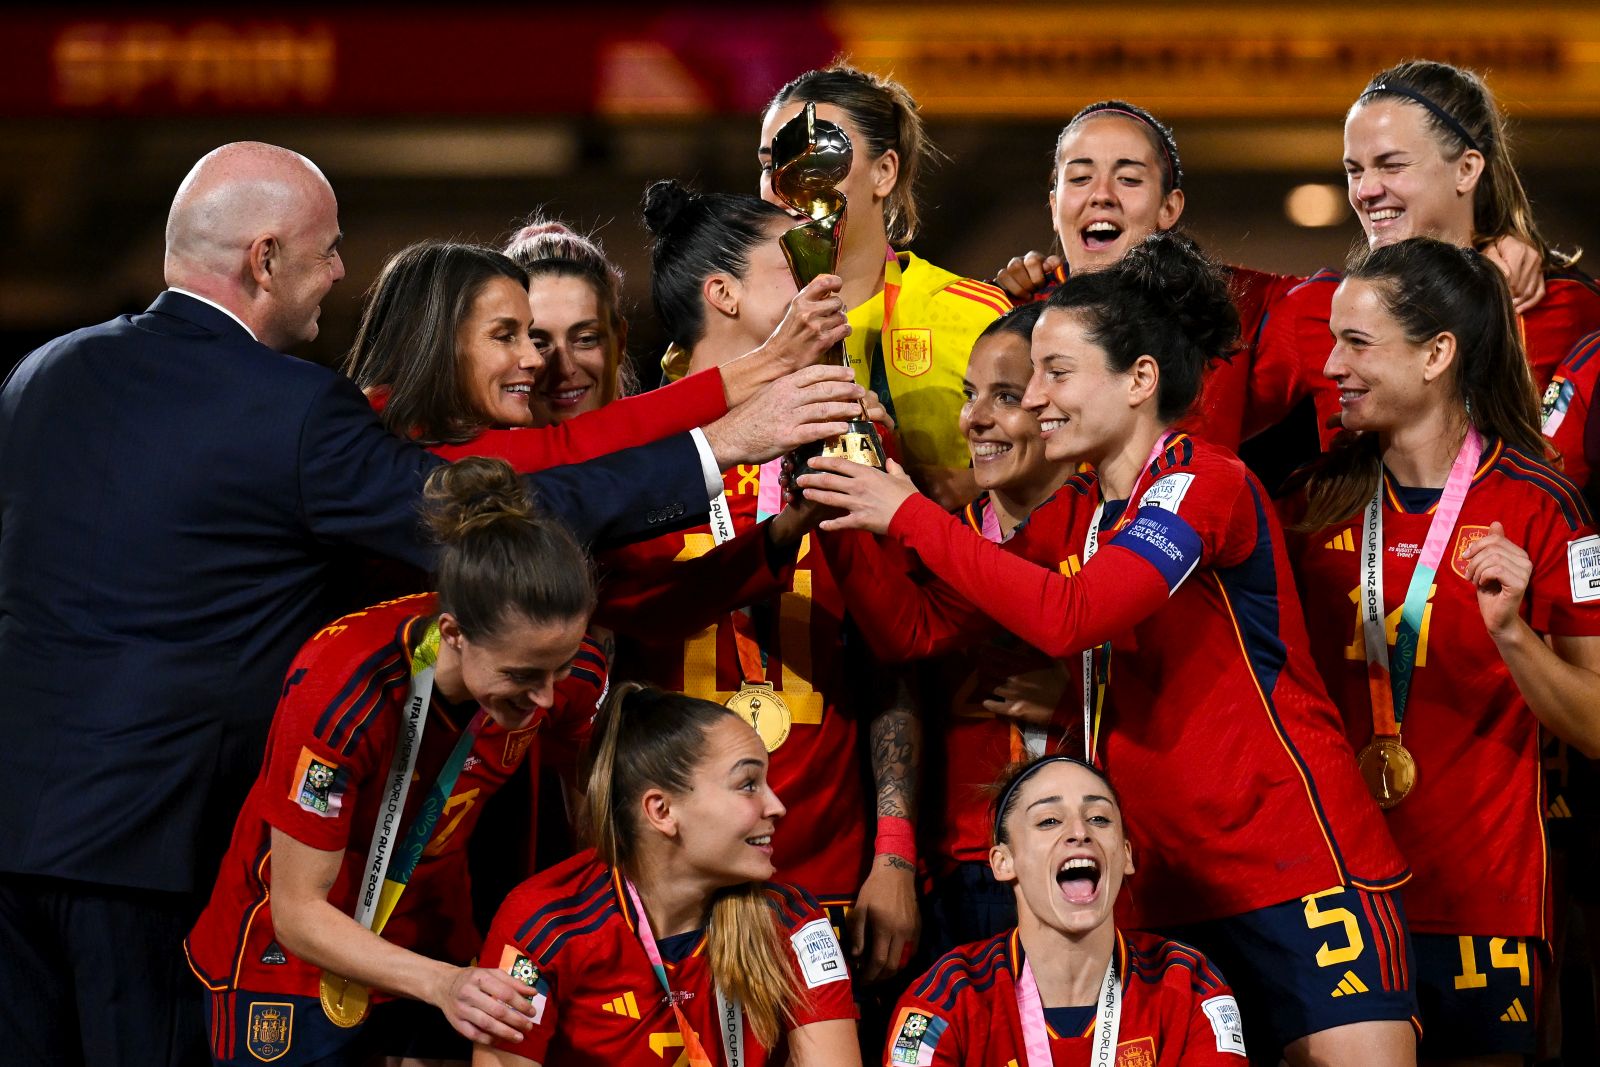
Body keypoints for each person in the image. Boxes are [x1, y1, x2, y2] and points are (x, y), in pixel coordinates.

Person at [0, 141, 842, 1067]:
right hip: (163, 851)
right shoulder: (296, 411)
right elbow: (487, 504)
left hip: (19, 827)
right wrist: (717, 438)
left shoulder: (42, 376)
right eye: (325, 251)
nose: (337, 274)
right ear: (265, 258)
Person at [801, 232, 1418, 1065]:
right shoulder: (1073, 510)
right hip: (1153, 885)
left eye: (1057, 372)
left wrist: (907, 511)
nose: (1038, 399)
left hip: (1291, 867)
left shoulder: (1206, 481)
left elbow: (1071, 616)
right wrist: (839, 484)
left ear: (1138, 380)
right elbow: (911, 628)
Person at [1279, 237, 1600, 1064]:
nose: (1331, 364)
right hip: (1335, 900)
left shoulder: (1544, 508)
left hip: (1482, 903)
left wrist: (1513, 636)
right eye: (1331, 339)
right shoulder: (1309, 502)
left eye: (1356, 342)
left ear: (1437, 354)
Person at [599, 180, 921, 989]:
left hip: (832, 883)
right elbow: (635, 607)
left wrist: (895, 849)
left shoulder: (852, 444)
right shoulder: (636, 465)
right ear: (725, 294)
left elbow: (895, 652)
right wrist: (780, 534)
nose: (824, 280)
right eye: (796, 262)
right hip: (664, 888)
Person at [185, 458, 609, 1063]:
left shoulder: (563, 667)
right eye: (521, 675)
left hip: (436, 942)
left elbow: (587, 799)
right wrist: (443, 984)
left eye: (559, 667)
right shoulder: (343, 690)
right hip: (293, 961)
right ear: (454, 633)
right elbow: (297, 912)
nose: (544, 697)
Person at [473, 683, 861, 1067]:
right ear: (661, 811)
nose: (776, 806)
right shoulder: (546, 924)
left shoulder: (794, 921)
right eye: (748, 785)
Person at [1255, 60, 1600, 450]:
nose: (1365, 190)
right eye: (1354, 170)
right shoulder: (1315, 310)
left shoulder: (1563, 307)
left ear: (1467, 169)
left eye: (1392, 165)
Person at [346, 240, 860, 474]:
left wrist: (783, 532)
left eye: (586, 337)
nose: (538, 360)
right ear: (436, 343)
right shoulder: (383, 445)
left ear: (620, 337)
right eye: (510, 336)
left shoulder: (415, 432)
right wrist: (766, 367)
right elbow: (567, 448)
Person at [757, 63, 1012, 510]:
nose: (783, 184)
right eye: (769, 165)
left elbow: (1049, 489)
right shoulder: (737, 323)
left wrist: (935, 485)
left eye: (817, 159)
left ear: (884, 172)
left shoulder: (977, 317)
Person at [886, 756, 1247, 1066]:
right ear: (1003, 861)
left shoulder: (1188, 982)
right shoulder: (948, 998)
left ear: (1126, 855)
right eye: (1049, 821)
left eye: (1099, 818)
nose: (1079, 831)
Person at [502, 218, 636, 422]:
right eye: (537, 344)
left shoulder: (681, 449)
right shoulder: (454, 454)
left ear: (620, 342)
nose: (564, 369)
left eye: (586, 339)